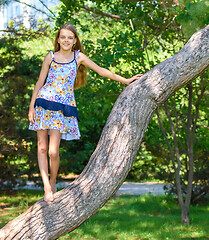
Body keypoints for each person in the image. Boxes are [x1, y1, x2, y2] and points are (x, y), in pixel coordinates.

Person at [28, 23, 142, 202]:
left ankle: (53, 180)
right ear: (58, 39)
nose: (66, 40)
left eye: (70, 38)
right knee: (41, 147)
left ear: (75, 41)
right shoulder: (50, 57)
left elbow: (101, 71)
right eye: (63, 37)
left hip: (61, 108)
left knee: (53, 152)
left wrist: (125, 80)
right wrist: (31, 107)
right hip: (42, 104)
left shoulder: (78, 57)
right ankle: (46, 187)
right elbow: (39, 82)